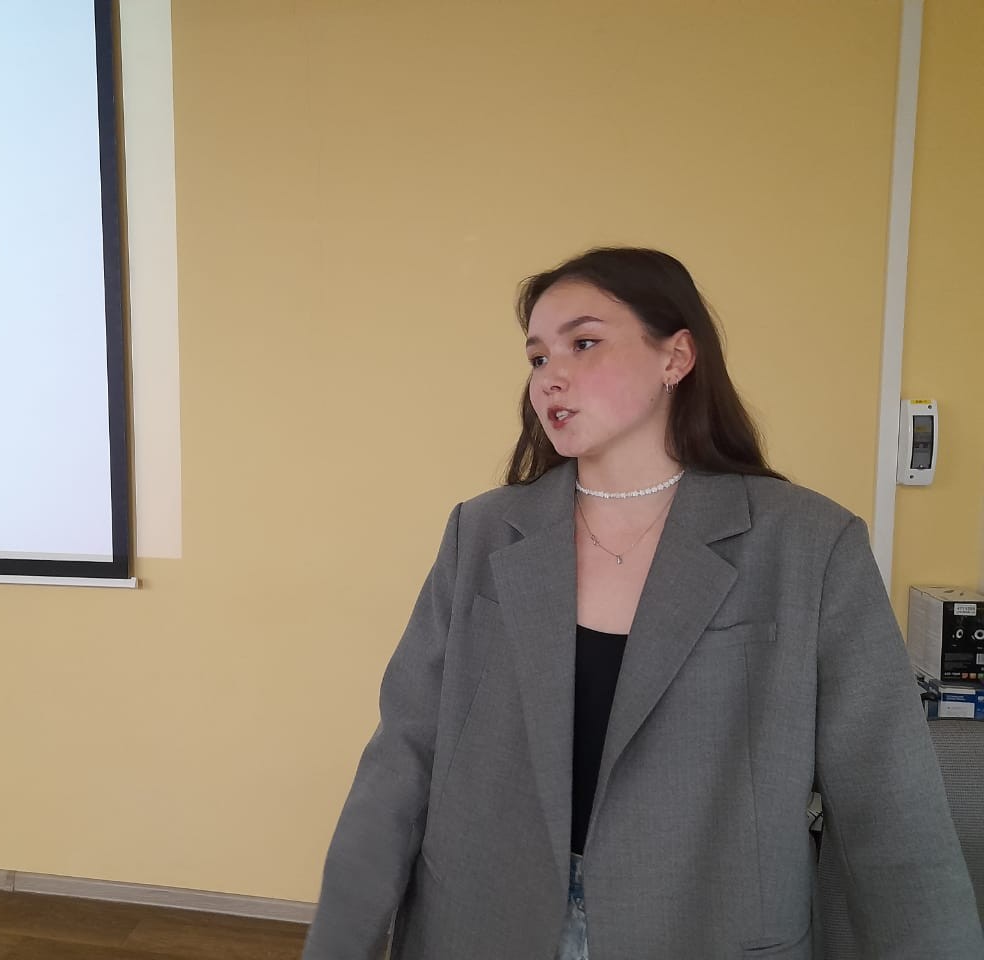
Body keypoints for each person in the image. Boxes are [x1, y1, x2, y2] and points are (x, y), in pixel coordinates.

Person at [301, 247, 983, 959]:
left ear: (675, 358)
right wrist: (339, 943)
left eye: (584, 344)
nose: (549, 376)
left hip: (707, 929)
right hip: (482, 920)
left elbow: (891, 806)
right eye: (537, 357)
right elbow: (402, 756)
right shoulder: (482, 533)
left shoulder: (809, 545)